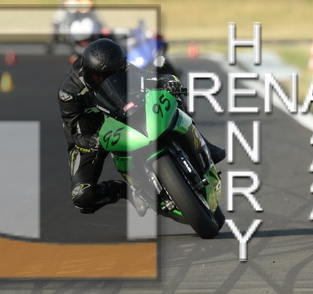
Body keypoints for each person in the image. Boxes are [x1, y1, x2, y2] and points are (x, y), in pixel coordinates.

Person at [58, 38, 225, 215]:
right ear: (86, 71)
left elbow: (148, 77)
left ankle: (204, 144)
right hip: (92, 135)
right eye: (98, 77)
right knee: (82, 198)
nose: (103, 80)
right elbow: (75, 132)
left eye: (113, 74)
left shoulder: (122, 67)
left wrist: (167, 81)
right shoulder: (69, 93)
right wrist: (91, 141)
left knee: (169, 98)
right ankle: (125, 191)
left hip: (124, 111)